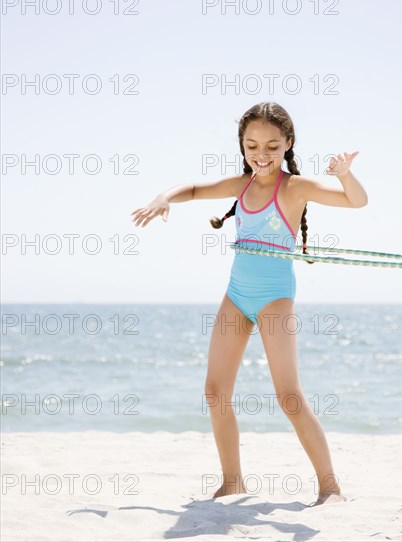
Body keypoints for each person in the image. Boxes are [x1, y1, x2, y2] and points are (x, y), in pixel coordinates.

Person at [130, 102, 367, 505]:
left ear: (288, 144)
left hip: (275, 297)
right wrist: (162, 196)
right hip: (236, 295)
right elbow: (191, 189)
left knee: (289, 397)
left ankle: (329, 488)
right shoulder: (240, 185)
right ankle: (233, 482)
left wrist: (346, 175)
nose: (262, 154)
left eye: (273, 146)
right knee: (215, 390)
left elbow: (356, 202)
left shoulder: (295, 187)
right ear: (241, 145)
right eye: (252, 145)